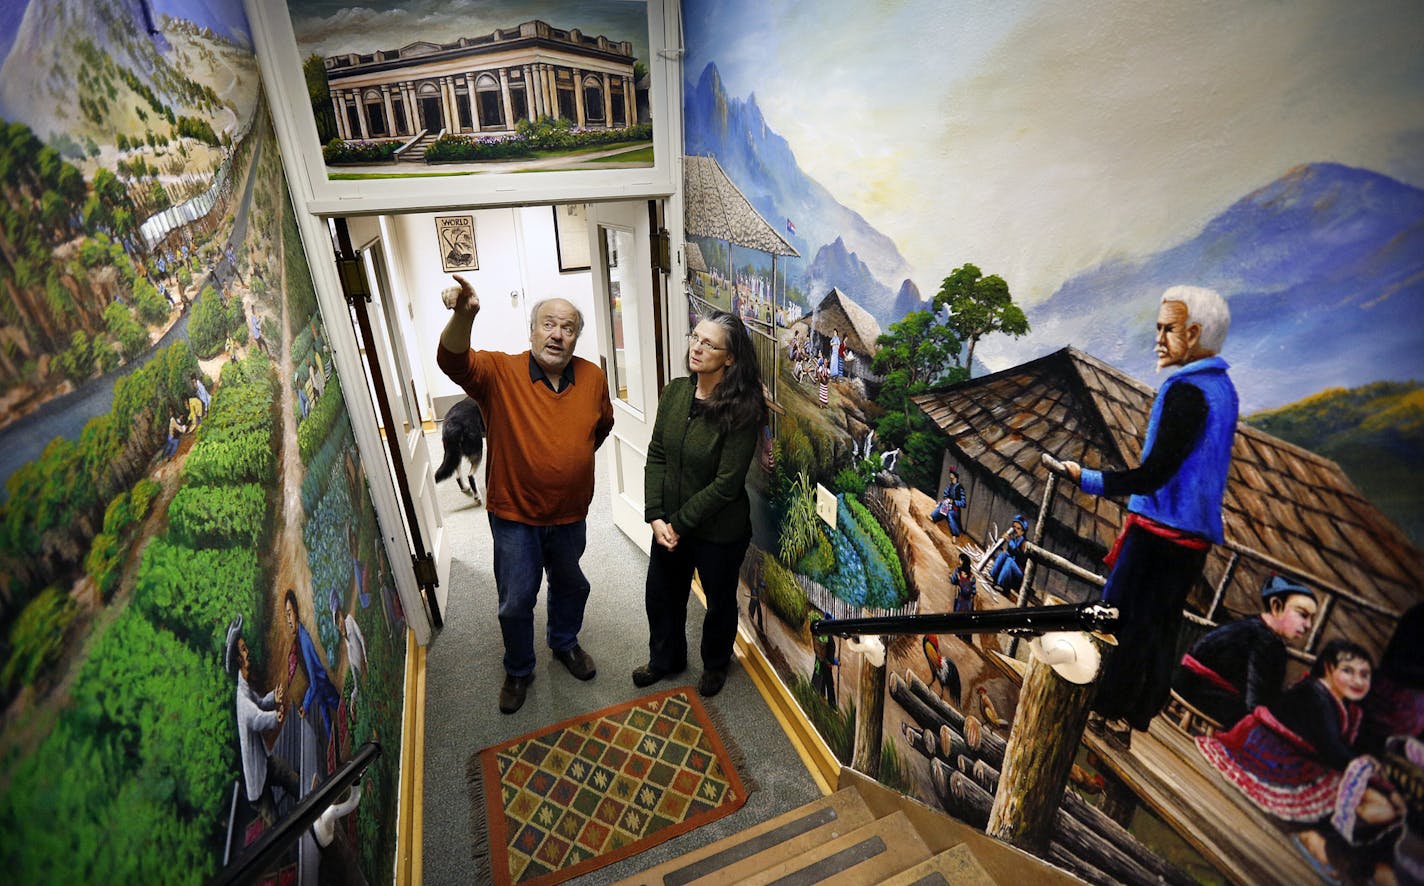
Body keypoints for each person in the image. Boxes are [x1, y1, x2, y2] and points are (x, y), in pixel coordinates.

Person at [1057, 285, 1239, 743]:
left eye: (1167, 329)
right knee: (1157, 627)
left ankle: (1104, 708)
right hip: (1187, 540)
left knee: (1119, 620)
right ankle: (1127, 716)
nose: (1158, 338)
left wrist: (1088, 479)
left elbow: (1154, 475)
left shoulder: (1188, 393)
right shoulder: (1222, 390)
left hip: (1160, 533)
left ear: (1194, 333)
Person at [436, 275, 614, 714]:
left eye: (568, 327)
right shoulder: (500, 372)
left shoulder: (592, 377)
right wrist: (464, 316)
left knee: (571, 584)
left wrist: (566, 463)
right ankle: (518, 669)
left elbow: (601, 427)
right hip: (515, 515)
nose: (557, 334)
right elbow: (452, 361)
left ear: (576, 337)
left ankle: (564, 643)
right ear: (531, 331)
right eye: (548, 324)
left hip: (571, 514)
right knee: (515, 600)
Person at [634, 312, 766, 698]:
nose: (697, 346)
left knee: (719, 601)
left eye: (710, 343)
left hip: (719, 531)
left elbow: (726, 484)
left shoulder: (743, 409)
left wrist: (677, 524)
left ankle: (715, 664)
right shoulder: (675, 392)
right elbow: (657, 453)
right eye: (696, 337)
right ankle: (665, 660)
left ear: (729, 358)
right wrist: (656, 516)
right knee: (661, 594)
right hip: (670, 525)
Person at [1197, 639, 1402, 873]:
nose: (1358, 680)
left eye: (1364, 675)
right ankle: (1315, 839)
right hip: (1272, 755)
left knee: (1383, 808)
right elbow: (1332, 749)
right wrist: (1380, 784)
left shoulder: (1349, 708)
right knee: (1378, 804)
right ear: (1327, 668)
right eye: (1348, 671)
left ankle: (1338, 848)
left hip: (1303, 760)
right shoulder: (1314, 693)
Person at [1173, 575, 1318, 728]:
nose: (1308, 625)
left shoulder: (1252, 625)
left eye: (1311, 619)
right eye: (1302, 614)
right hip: (1201, 691)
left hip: (1189, 681)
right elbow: (1256, 700)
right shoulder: (1265, 641)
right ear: (1276, 606)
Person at [226, 614, 300, 825]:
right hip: (257, 785)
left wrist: (271, 699)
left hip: (264, 763)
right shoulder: (241, 701)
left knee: (289, 776)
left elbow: (259, 703)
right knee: (275, 827)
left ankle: (310, 801)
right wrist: (274, 717)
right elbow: (257, 718)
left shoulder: (245, 689)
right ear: (239, 660)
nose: (247, 652)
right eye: (243, 649)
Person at [283, 589, 341, 744]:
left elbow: (314, 681)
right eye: (286, 616)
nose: (288, 620)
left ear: (295, 611)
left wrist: (305, 705)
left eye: (289, 613)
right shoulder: (299, 640)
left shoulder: (305, 639)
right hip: (319, 691)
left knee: (342, 710)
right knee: (328, 724)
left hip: (322, 686)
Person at [989, 515, 1029, 593]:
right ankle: (992, 576)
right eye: (1014, 527)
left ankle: (1001, 584)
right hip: (1010, 569)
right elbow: (1009, 552)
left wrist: (1009, 541)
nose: (1015, 530)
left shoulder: (1024, 543)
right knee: (1004, 554)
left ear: (1023, 531)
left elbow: (1020, 557)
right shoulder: (1014, 539)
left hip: (1018, 573)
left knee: (1009, 561)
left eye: (1018, 528)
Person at [929, 466, 968, 541]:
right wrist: (946, 499)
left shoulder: (960, 488)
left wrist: (953, 501)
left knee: (950, 515)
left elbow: (963, 503)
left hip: (954, 509)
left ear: (955, 476)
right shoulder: (950, 485)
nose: (950, 475)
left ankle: (954, 535)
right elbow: (945, 493)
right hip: (947, 506)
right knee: (941, 508)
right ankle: (932, 518)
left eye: (952, 474)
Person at [951, 553, 977, 642]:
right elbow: (974, 590)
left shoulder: (958, 571)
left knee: (959, 615)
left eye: (960, 560)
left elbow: (953, 580)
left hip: (961, 599)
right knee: (967, 619)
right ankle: (966, 636)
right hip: (968, 601)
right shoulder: (971, 575)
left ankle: (958, 633)